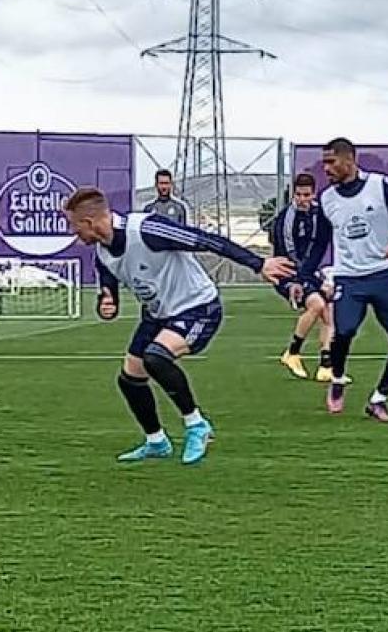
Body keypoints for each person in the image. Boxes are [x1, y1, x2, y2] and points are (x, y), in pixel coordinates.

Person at [63, 187, 294, 465]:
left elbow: (206, 240)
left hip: (198, 307)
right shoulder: (101, 254)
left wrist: (258, 264)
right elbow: (108, 289)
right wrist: (106, 303)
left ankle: (197, 425)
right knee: (130, 379)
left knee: (156, 358)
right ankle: (156, 441)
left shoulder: (147, 229)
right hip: (158, 315)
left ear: (89, 223)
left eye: (74, 227)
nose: (74, 235)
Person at [319, 138, 388, 423]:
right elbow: (320, 244)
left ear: (349, 160)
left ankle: (379, 399)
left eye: (331, 162)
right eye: (324, 162)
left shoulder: (381, 185)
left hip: (384, 276)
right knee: (346, 331)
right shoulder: (327, 200)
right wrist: (304, 277)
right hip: (349, 279)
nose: (326, 168)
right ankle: (337, 378)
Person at [271, 173, 336, 382]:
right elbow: (287, 252)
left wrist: (321, 277)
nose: (302, 199)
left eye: (306, 195)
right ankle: (292, 352)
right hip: (286, 272)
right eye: (298, 194)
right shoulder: (285, 219)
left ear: (313, 194)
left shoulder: (320, 215)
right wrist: (299, 280)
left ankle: (326, 365)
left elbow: (319, 246)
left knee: (329, 311)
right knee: (316, 305)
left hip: (308, 271)